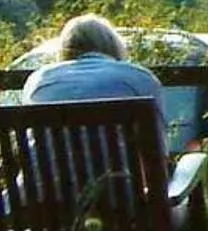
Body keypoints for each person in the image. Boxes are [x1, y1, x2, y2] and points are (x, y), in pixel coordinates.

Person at [22, 13, 169, 146]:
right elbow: (158, 147)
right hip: (118, 175)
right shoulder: (139, 78)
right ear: (113, 45)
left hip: (48, 176)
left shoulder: (38, 80)